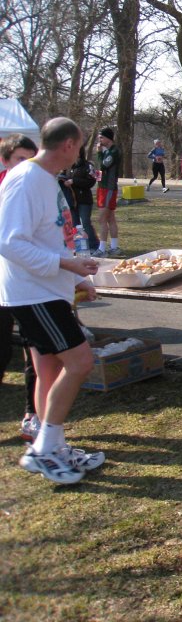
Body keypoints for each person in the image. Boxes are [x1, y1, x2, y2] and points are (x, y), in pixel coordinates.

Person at [1, 117, 105, 485]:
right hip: (33, 294)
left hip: (52, 289)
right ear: (68, 145)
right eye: (79, 148)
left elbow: (55, 237)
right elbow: (9, 242)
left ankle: (53, 445)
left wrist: (77, 276)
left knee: (50, 369)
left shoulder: (48, 181)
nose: (79, 155)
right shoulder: (25, 180)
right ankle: (44, 448)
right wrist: (65, 265)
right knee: (79, 362)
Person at [0, 134, 41, 440]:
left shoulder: (35, 186)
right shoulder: (9, 189)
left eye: (31, 159)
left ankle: (32, 414)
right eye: (19, 159)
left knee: (36, 353)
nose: (25, 166)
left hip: (29, 286)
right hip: (5, 286)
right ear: (5, 160)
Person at [93, 127, 122, 258]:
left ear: (108, 139)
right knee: (110, 218)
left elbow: (104, 165)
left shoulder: (114, 151)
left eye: (101, 137)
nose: (99, 140)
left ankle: (102, 248)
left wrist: (99, 153)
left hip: (108, 188)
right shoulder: (107, 151)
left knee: (102, 218)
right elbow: (101, 169)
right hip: (102, 186)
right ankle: (114, 247)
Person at [68, 147, 98, 251]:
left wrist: (74, 181)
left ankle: (93, 244)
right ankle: (80, 245)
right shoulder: (70, 166)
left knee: (85, 222)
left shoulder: (88, 166)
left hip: (84, 200)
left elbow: (91, 182)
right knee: (75, 224)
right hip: (72, 200)